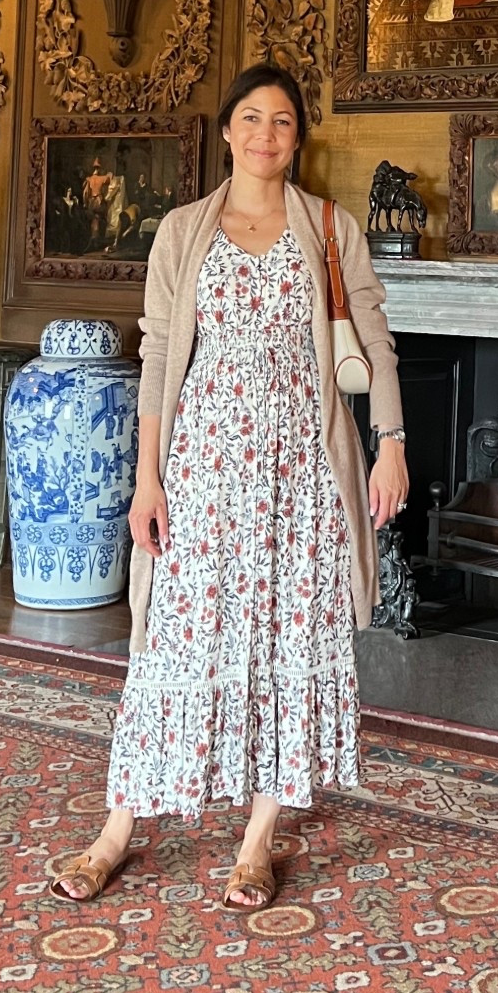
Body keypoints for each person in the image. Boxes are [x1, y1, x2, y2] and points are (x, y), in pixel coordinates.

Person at [51, 63, 408, 908]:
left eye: (283, 122)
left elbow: (378, 341)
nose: (266, 136)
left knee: (289, 643)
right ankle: (116, 832)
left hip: (303, 470)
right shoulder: (183, 230)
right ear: (226, 131)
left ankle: (257, 841)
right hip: (204, 465)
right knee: (174, 639)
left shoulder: (329, 226)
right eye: (251, 119)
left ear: (299, 137)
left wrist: (390, 445)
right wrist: (148, 481)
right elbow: (158, 359)